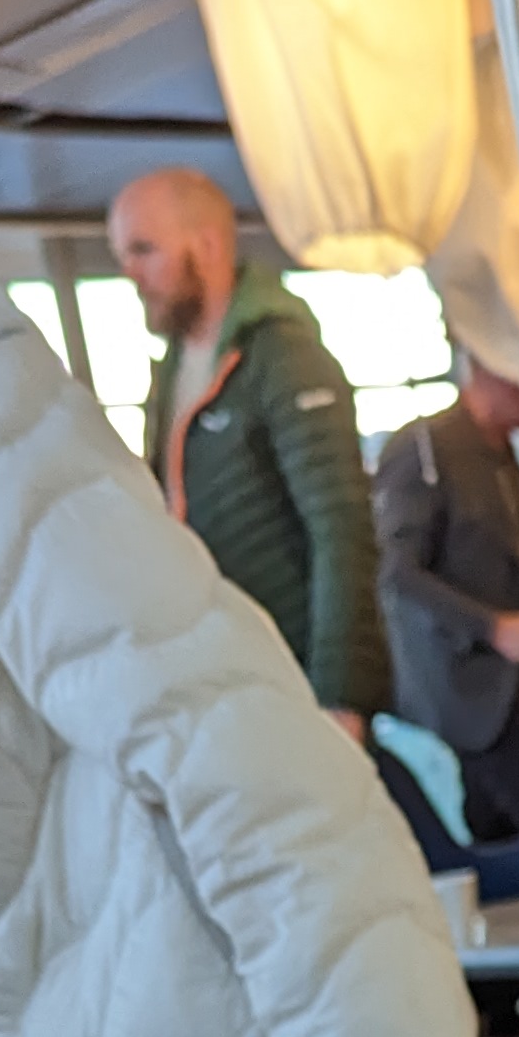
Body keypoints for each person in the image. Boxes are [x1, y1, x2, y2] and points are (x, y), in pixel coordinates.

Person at [108, 167, 390, 737]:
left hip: (293, 674)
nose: (131, 274)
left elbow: (341, 527)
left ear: (208, 244)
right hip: (225, 676)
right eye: (123, 257)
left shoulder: (282, 356)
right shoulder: (172, 371)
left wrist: (340, 695)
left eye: (144, 250)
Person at [373, 350, 519, 846]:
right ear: (488, 367)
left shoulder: (504, 454)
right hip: (471, 690)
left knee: (505, 837)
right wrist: (495, 628)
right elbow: (399, 573)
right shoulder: (425, 449)